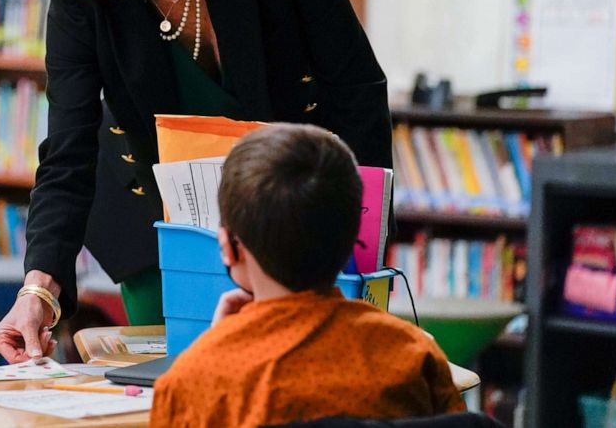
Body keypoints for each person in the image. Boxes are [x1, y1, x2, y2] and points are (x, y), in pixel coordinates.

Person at [0, 0, 392, 363]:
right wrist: (39, 290)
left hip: (290, 219)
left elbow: (356, 91)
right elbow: (68, 144)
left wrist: (362, 252)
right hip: (157, 232)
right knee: (178, 389)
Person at [149, 124, 465, 427]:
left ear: (229, 248)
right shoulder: (413, 355)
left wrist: (215, 347)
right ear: (354, 233)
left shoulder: (191, 383)